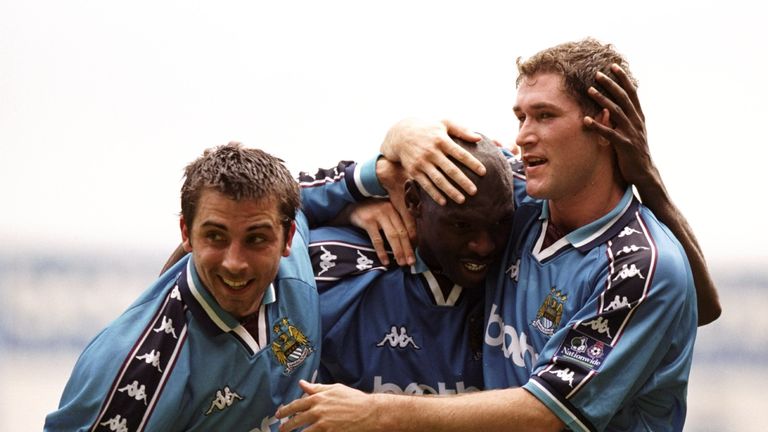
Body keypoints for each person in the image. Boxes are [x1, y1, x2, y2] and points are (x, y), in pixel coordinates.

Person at [277, 38, 704, 431]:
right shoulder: (518, 195)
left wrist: (375, 411)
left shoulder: (638, 265)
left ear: (602, 122)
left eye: (545, 116)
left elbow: (543, 413)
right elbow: (268, 203)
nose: (522, 137)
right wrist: (383, 162)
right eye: (520, 116)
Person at [44, 143, 386, 432]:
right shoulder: (134, 371)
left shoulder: (294, 258)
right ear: (186, 233)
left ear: (288, 238)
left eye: (256, 238)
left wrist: (377, 174)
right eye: (215, 236)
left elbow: (303, 196)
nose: (235, 262)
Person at [309, 135, 522, 395]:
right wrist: (372, 178)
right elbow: (269, 209)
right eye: (462, 225)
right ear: (413, 201)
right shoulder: (330, 264)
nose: (484, 245)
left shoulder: (525, 255)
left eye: (500, 223)